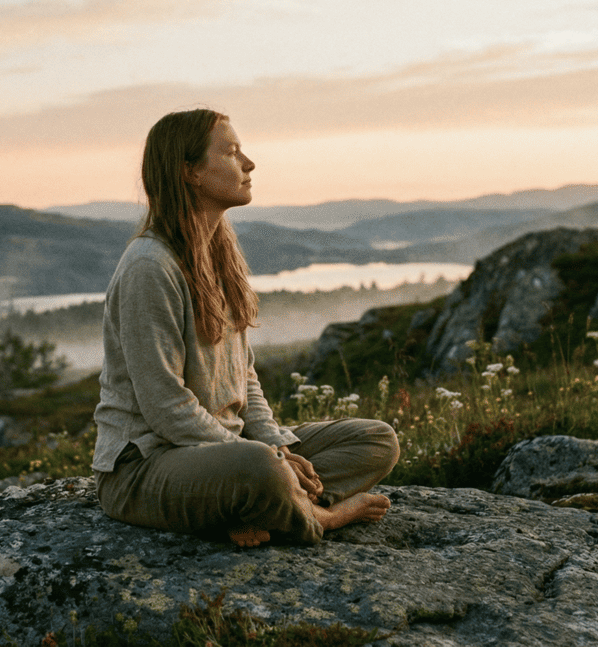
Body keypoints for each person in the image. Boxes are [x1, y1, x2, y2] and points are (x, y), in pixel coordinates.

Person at [92, 108, 400, 547]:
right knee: (260, 470)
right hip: (144, 467)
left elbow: (245, 375)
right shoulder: (150, 267)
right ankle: (318, 517)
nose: (249, 164)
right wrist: (266, 457)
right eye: (232, 152)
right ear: (190, 172)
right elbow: (164, 406)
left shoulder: (217, 256)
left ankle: (271, 504)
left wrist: (279, 446)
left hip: (227, 452)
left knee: (376, 439)